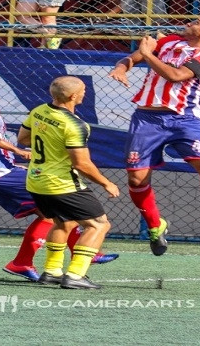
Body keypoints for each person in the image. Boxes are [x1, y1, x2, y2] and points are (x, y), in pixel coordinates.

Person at [0, 77, 118, 282]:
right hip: (0, 173)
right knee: (61, 213)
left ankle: (45, 267)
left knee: (58, 215)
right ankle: (32, 262)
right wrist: (16, 150)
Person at [108, 16, 200, 255]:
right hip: (146, 119)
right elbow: (131, 58)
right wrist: (121, 67)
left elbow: (176, 76)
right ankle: (156, 226)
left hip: (184, 119)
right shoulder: (168, 41)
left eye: (197, 21)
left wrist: (147, 54)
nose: (190, 22)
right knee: (136, 179)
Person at [18, 76, 121, 289]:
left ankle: (52, 272)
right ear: (74, 96)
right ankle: (75, 275)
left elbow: (23, 140)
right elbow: (82, 164)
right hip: (61, 183)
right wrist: (106, 183)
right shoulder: (75, 125)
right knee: (99, 224)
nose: (85, 93)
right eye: (83, 90)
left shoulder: (38, 111)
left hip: (36, 180)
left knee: (63, 222)